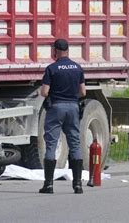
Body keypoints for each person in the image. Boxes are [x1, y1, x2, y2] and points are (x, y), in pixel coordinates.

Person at [39, 38, 86, 194]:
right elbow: (83, 92)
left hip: (56, 108)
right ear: (68, 50)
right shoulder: (77, 68)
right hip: (73, 107)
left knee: (51, 143)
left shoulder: (52, 68)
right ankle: (78, 185)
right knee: (74, 143)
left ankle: (49, 185)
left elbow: (44, 92)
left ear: (55, 51)